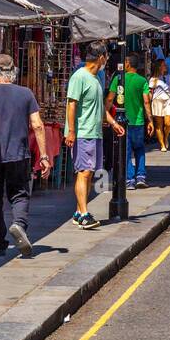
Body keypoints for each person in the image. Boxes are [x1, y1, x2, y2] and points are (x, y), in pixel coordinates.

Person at [0, 54, 50, 257]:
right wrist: (43, 156)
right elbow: (37, 125)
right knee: (19, 194)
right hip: (19, 155)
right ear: (13, 72)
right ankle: (18, 224)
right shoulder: (26, 94)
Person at [65, 42, 123, 230]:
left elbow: (99, 107)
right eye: (106, 56)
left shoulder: (97, 78)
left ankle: (78, 211)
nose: (107, 60)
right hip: (82, 133)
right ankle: (83, 214)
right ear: (101, 57)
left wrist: (113, 123)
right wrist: (72, 131)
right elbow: (71, 105)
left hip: (95, 132)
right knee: (84, 172)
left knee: (89, 174)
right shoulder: (79, 77)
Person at [107, 53, 152, 189]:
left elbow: (110, 99)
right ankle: (141, 177)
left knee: (125, 151)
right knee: (139, 149)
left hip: (122, 123)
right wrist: (150, 120)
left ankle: (130, 180)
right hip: (138, 122)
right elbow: (146, 101)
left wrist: (105, 113)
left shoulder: (118, 79)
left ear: (127, 64)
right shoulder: (142, 80)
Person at [148, 58, 170, 153]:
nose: (165, 66)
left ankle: (165, 137)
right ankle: (162, 144)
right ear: (159, 67)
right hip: (157, 101)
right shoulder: (153, 79)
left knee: (168, 124)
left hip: (167, 100)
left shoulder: (167, 77)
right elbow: (150, 92)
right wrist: (148, 105)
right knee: (159, 124)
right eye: (163, 65)